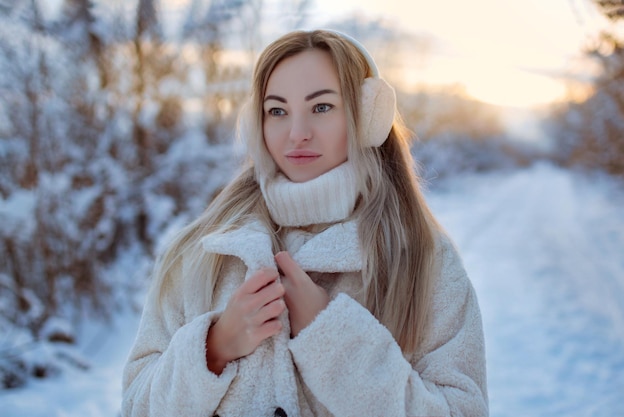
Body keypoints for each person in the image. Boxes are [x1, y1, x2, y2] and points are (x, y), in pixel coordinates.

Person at [122, 29, 488, 417]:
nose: (297, 134)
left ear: (368, 117)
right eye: (277, 111)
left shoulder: (424, 262)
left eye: (322, 107)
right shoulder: (202, 253)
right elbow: (135, 407)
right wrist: (214, 348)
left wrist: (334, 341)